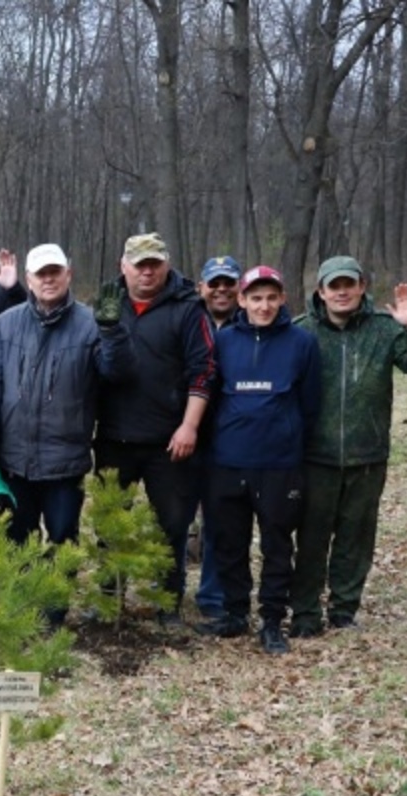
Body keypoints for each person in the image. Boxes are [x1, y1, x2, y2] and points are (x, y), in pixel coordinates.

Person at [289, 256, 407, 635]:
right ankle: (306, 613)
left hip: (368, 455)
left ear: (361, 287)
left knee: (355, 537)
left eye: (349, 284)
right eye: (334, 285)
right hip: (314, 457)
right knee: (310, 538)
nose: (342, 291)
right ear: (320, 292)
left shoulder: (385, 330)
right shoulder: (301, 331)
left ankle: (343, 609)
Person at [0, 244, 132, 624]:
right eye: (40, 273)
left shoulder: (90, 322)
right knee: (19, 536)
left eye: (55, 272)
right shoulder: (8, 322)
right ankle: (21, 606)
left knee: (62, 537)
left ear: (68, 273)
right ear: (29, 279)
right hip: (15, 456)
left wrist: (113, 331)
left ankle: (54, 609)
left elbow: (116, 373)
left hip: (65, 458)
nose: (48, 279)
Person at [93, 233, 215, 621]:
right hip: (114, 437)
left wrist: (189, 427)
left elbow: (205, 371)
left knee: (173, 525)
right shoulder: (106, 305)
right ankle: (109, 600)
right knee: (111, 524)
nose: (147, 271)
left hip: (170, 440)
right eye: (139, 263)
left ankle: (168, 602)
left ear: (166, 264)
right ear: (123, 265)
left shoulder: (188, 307)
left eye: (154, 263)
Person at [203, 266, 322, 654]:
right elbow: (212, 395)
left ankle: (272, 619)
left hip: (279, 463)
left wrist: (288, 439)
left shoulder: (301, 342)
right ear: (242, 300)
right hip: (228, 459)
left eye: (271, 297)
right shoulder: (223, 342)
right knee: (229, 542)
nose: (264, 305)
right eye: (256, 298)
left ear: (283, 299)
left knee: (276, 544)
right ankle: (235, 613)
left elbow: (310, 404)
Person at [192, 255, 243, 624]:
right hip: (183, 433)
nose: (221, 289)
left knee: (220, 521)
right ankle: (167, 590)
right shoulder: (188, 321)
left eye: (229, 282)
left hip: (228, 440)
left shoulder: (252, 325)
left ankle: (213, 594)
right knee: (176, 521)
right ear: (202, 288)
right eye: (215, 283)